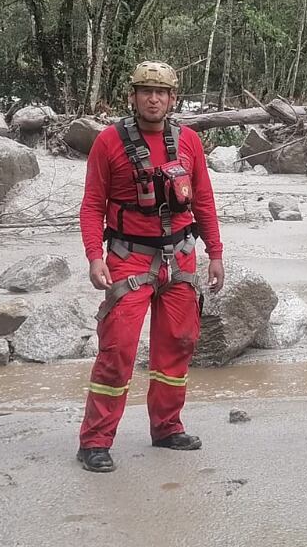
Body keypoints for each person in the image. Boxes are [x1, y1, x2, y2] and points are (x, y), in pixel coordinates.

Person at [76, 60, 225, 473]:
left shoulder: (190, 142)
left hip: (180, 257)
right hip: (129, 258)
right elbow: (92, 206)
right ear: (133, 96)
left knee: (177, 344)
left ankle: (166, 427)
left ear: (173, 99)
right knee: (118, 349)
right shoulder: (108, 142)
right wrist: (93, 256)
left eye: (161, 92)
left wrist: (216, 253)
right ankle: (95, 441)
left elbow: (204, 202)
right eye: (146, 91)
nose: (154, 98)